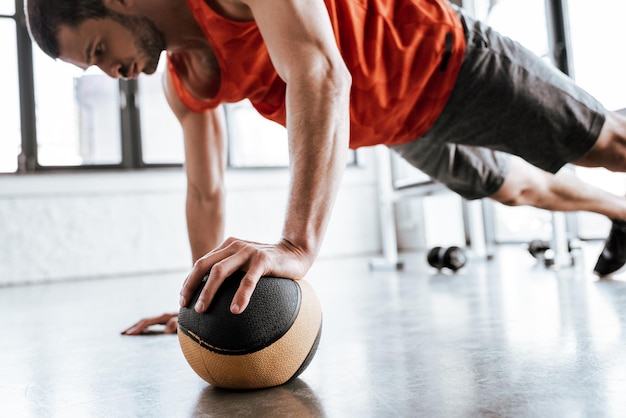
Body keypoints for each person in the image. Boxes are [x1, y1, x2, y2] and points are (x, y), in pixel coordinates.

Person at [25, 0, 626, 335]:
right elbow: (205, 189)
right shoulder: (186, 85)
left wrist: (296, 242)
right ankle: (621, 215)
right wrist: (200, 300)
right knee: (517, 189)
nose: (114, 75)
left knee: (607, 145)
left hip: (442, 58)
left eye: (101, 51)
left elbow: (319, 73)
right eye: (93, 69)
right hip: (397, 124)